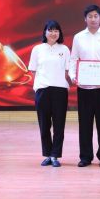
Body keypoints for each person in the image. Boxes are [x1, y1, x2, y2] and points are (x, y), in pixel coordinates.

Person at [69, 4, 100, 168]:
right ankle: (85, 156)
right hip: (84, 88)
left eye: (96, 16)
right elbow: (73, 59)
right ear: (85, 19)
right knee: (85, 124)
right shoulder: (78, 37)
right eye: (90, 16)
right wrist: (74, 77)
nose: (93, 19)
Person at [27, 19, 72, 168]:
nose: (53, 33)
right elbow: (33, 70)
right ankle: (47, 154)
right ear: (45, 32)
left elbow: (67, 70)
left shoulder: (64, 49)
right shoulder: (37, 49)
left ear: (60, 33)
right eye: (50, 30)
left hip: (60, 90)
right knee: (44, 125)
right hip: (43, 90)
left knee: (59, 125)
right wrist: (40, 85)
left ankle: (55, 155)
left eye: (56, 31)